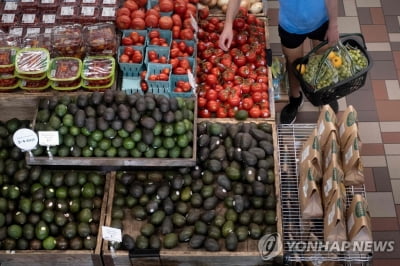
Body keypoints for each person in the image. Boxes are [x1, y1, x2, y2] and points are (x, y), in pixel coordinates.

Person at [219, 0, 340, 124]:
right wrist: (228, 25)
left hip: (322, 22)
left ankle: (326, 93)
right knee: (294, 65)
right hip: (291, 26)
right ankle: (295, 99)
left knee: (323, 59)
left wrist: (333, 24)